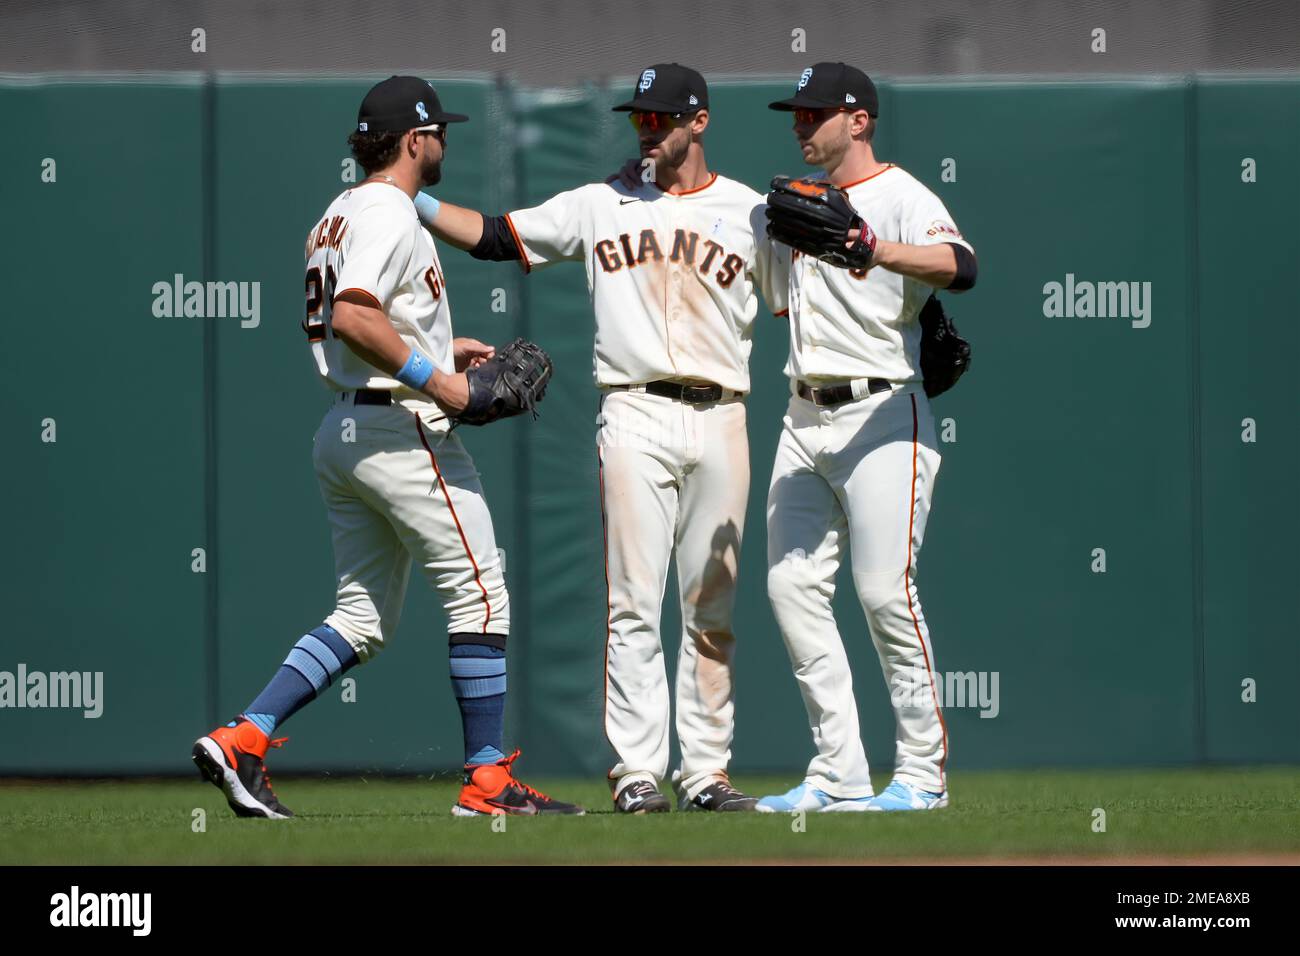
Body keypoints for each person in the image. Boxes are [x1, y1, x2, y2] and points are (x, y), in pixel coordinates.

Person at [191, 75, 583, 818]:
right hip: (401, 428)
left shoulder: (337, 212)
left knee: (362, 619)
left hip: (345, 428)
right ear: (415, 139)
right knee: (482, 593)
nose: (446, 144)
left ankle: (245, 735)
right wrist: (440, 380)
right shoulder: (392, 213)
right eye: (442, 132)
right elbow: (352, 316)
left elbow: (365, 318)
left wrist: (438, 343)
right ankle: (487, 782)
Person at [416, 63, 786, 812]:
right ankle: (637, 771)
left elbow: (799, 306)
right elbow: (494, 237)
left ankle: (707, 772)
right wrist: (408, 200)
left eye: (660, 118)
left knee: (712, 604)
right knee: (634, 601)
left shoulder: (750, 214)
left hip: (724, 414)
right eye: (638, 117)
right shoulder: (600, 202)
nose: (646, 128)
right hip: (635, 411)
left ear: (700, 122)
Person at [756, 63, 977, 813]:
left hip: (883, 413)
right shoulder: (791, 208)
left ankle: (922, 774)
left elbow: (961, 265)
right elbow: (781, 309)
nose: (799, 123)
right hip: (802, 413)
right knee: (790, 589)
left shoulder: (903, 194)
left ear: (859, 120)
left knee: (886, 593)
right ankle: (837, 771)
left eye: (815, 111)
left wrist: (872, 246)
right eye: (796, 111)